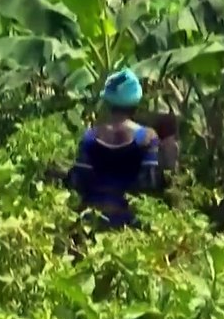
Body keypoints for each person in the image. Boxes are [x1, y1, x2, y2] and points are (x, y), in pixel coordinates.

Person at [68, 69, 163, 230]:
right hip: (129, 225)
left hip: (92, 221)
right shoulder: (146, 137)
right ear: (135, 103)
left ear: (108, 102)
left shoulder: (91, 136)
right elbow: (150, 183)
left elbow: (78, 180)